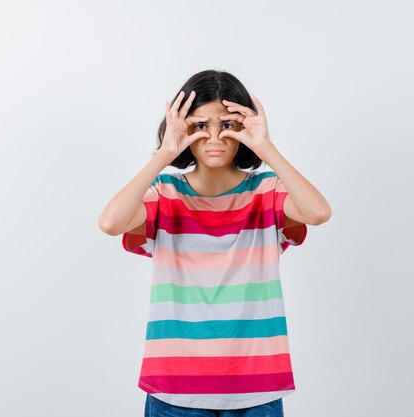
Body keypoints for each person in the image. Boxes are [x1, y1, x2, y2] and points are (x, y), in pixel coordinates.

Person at [98, 69, 331, 416]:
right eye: (200, 126)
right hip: (175, 385)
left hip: (256, 384)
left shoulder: (266, 191)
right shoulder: (165, 193)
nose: (214, 137)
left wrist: (266, 147)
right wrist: (163, 154)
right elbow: (110, 222)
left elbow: (318, 212)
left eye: (227, 124)